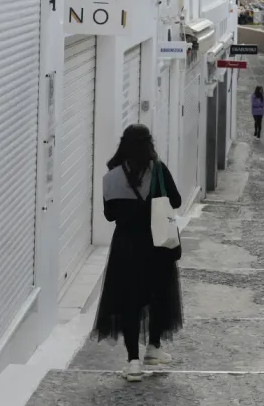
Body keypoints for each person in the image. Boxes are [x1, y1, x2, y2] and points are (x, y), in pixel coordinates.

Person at [93, 125, 184, 382]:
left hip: (126, 247)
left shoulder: (112, 176)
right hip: (157, 245)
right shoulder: (159, 171)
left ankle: (133, 362)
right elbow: (175, 201)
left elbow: (110, 215)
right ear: (149, 144)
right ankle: (153, 348)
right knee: (158, 296)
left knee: (128, 302)